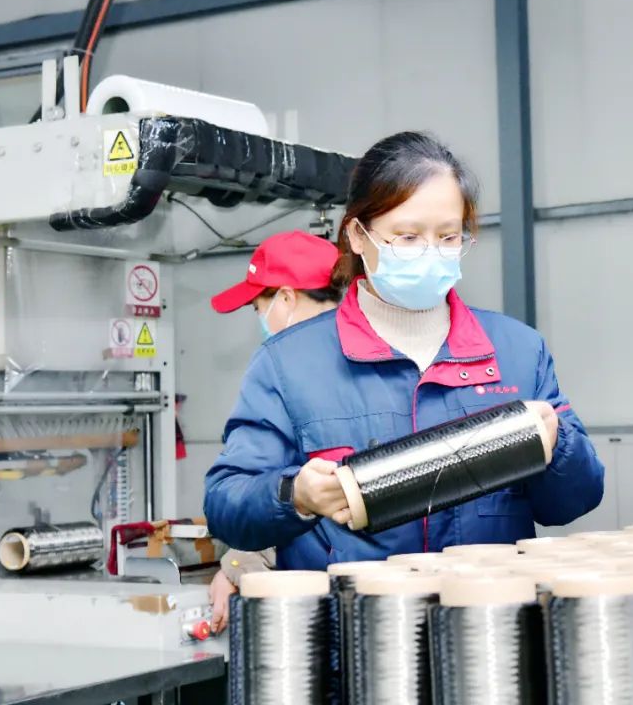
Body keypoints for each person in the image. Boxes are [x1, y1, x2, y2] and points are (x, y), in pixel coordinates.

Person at [204, 131, 604, 570]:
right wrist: (294, 495)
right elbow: (226, 506)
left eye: (448, 237)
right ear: (358, 236)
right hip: (353, 612)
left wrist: (558, 444)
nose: (430, 253)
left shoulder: (518, 351)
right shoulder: (288, 364)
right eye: (408, 237)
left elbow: (573, 502)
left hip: (484, 610)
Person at [205, 230, 341, 631]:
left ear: (286, 299)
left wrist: (236, 566)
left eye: (258, 308)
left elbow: (284, 493)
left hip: (312, 606)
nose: (260, 322)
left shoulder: (285, 370)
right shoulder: (376, 357)